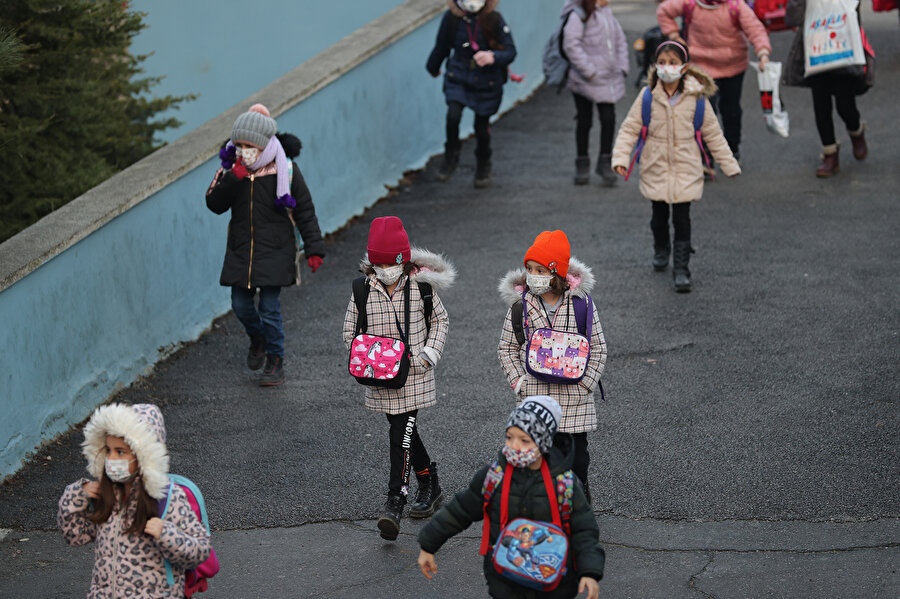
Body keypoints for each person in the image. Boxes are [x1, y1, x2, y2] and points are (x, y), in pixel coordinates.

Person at [417, 395, 605, 599]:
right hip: (506, 581)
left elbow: (584, 530)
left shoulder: (564, 484)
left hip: (554, 583)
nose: (514, 445)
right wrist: (428, 544)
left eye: (524, 440)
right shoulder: (494, 476)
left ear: (544, 442)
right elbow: (459, 510)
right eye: (509, 437)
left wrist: (590, 571)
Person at [342, 216, 455, 541]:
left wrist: (428, 355)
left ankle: (395, 500)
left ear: (403, 261)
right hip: (381, 378)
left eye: (390, 264)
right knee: (405, 431)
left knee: (399, 433)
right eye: (377, 264)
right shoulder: (362, 290)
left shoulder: (421, 287)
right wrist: (366, 358)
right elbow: (350, 331)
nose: (385, 270)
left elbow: (441, 321)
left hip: (414, 375)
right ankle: (429, 482)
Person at [206, 104, 325, 386]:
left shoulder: (285, 168)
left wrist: (314, 248)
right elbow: (214, 204)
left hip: (275, 249)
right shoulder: (230, 170)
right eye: (239, 145)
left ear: (263, 144)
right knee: (240, 305)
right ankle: (257, 337)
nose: (244, 150)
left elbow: (304, 209)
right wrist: (233, 179)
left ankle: (275, 360)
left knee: (270, 308)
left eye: (250, 146)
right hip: (241, 250)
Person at [612, 42, 740, 292]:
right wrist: (620, 158)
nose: (666, 67)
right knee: (658, 217)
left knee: (682, 219)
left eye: (672, 62)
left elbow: (713, 134)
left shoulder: (697, 98)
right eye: (662, 62)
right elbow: (629, 129)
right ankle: (661, 248)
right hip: (655, 166)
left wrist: (729, 164)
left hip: (686, 167)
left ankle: (681, 269)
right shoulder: (648, 96)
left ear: (684, 68)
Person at [58, 403, 211, 598]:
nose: (111, 458)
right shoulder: (107, 495)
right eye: (108, 450)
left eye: (120, 452)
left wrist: (166, 533)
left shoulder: (167, 497)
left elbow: (200, 550)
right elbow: (74, 536)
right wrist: (76, 495)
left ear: (144, 454)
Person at [497, 230, 607, 501]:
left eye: (540, 270)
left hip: (574, 398)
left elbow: (598, 347)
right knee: (540, 459)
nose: (532, 276)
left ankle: (579, 500)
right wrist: (519, 382)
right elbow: (506, 348)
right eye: (529, 269)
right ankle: (546, 506)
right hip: (535, 396)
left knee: (577, 458)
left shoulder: (581, 304)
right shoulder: (520, 307)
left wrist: (586, 384)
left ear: (556, 273)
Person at [657, 0, 772, 165]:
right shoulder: (691, 4)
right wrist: (674, 35)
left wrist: (763, 53)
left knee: (731, 110)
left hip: (733, 66)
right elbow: (664, 11)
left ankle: (732, 148)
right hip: (701, 67)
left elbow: (755, 29)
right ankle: (705, 155)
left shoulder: (736, 6)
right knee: (703, 112)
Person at [426, 0, 517, 188]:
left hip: (486, 81)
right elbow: (442, 45)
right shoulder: (452, 19)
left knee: (481, 127)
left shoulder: (494, 19)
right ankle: (451, 154)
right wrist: (433, 67)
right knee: (453, 115)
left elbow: (510, 51)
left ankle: (483, 162)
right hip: (459, 76)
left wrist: (493, 57)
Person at [782, 0, 869, 177]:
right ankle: (830, 154)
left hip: (843, 45)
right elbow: (792, 18)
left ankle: (856, 130)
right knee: (821, 106)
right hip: (815, 49)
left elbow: (852, 11)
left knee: (845, 105)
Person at [561, 0, 629, 186]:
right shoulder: (578, 15)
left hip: (608, 78)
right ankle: (582, 163)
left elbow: (620, 41)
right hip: (585, 79)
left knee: (608, 119)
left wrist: (622, 66)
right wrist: (589, 71)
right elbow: (571, 45)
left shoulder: (607, 14)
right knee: (584, 120)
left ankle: (605, 161)